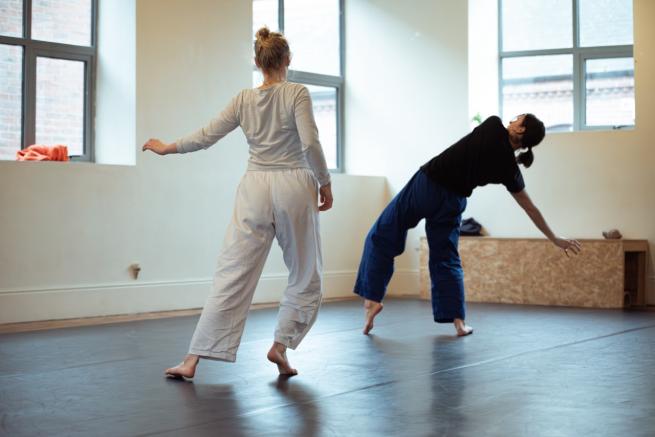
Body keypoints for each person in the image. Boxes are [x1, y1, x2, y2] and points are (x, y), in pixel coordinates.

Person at [143, 27, 333, 377]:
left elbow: (205, 136)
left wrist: (167, 147)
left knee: (232, 273)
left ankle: (191, 360)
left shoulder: (243, 99)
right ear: (287, 60)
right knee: (306, 273)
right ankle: (280, 347)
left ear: (258, 63)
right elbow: (310, 144)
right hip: (293, 182)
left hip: (254, 188)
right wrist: (325, 182)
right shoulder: (297, 93)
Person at [354, 114, 581, 336]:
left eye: (517, 119)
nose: (511, 120)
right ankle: (459, 323)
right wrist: (555, 238)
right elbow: (530, 208)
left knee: (382, 233)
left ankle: (372, 300)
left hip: (429, 184)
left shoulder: (493, 125)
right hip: (453, 202)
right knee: (446, 258)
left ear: (521, 129)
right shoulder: (510, 170)